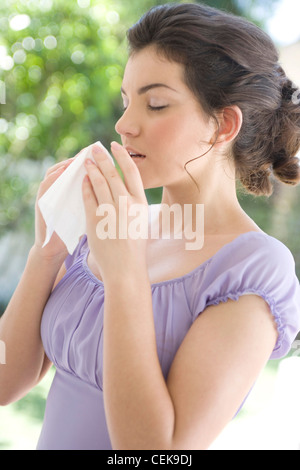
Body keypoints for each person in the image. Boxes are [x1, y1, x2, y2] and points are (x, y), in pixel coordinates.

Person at [1, 2, 300, 451]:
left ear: (224, 125)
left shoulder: (253, 269)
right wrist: (46, 254)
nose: (124, 124)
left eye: (155, 104)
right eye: (126, 101)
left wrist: (125, 272)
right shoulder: (113, 225)